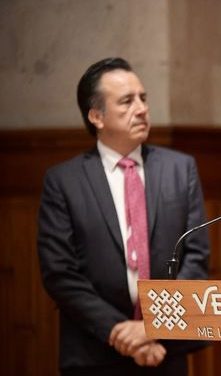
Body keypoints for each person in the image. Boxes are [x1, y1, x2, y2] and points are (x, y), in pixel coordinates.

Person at [37, 57, 210, 375]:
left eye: (143, 98)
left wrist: (154, 326)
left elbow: (196, 260)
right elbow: (60, 273)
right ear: (96, 116)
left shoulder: (179, 169)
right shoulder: (64, 181)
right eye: (127, 101)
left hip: (168, 350)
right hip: (95, 351)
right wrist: (123, 332)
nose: (142, 109)